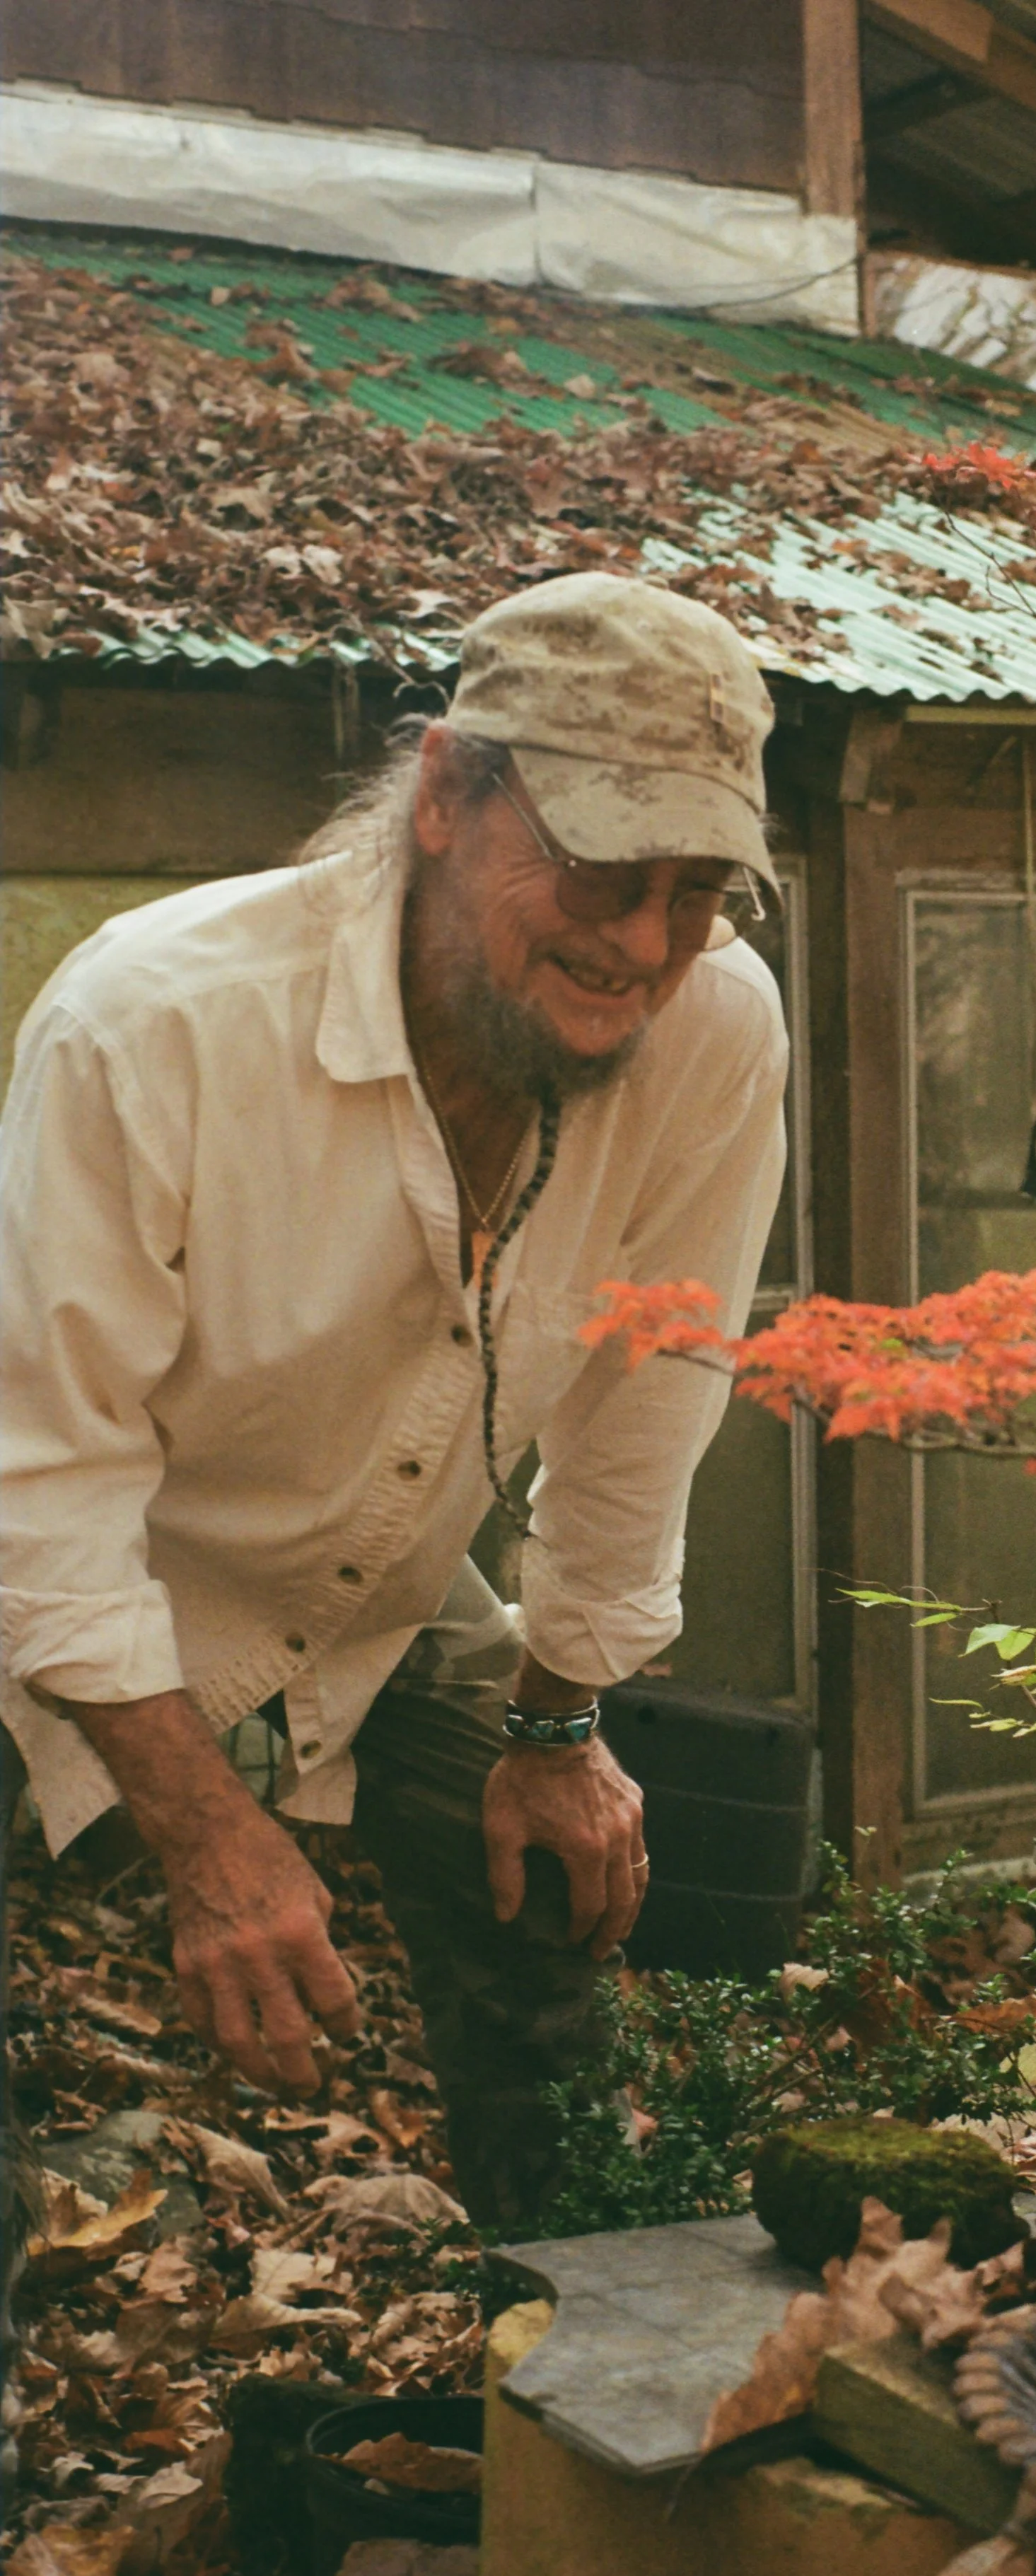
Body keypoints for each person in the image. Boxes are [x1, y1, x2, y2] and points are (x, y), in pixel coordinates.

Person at [0, 574, 789, 2225]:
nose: (640, 946)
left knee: (553, 1901)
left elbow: (655, 1383)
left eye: (695, 891)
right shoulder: (152, 1023)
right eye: (593, 869)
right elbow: (44, 1481)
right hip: (54, 1561)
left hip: (373, 1568)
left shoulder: (714, 1031)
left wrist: (562, 1720)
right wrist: (209, 1838)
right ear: (445, 792)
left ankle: (566, 2402)